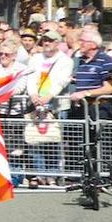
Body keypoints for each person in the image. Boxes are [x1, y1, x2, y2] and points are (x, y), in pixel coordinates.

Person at [25, 30, 72, 186]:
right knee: (35, 139)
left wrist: (49, 96)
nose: (46, 43)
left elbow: (62, 81)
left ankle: (52, 174)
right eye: (44, 40)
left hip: (56, 105)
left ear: (57, 43)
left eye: (50, 40)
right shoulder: (36, 58)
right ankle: (40, 173)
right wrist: (33, 94)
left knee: (53, 139)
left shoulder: (65, 60)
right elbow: (30, 77)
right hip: (36, 103)